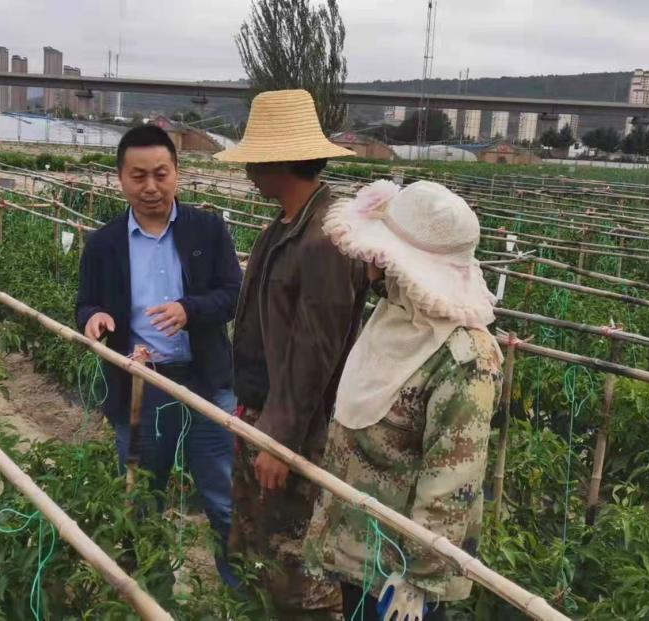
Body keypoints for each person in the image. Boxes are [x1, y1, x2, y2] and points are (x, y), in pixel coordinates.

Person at [303, 179, 504, 621]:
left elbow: (453, 482)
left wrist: (420, 578)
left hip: (400, 571)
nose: (371, 262)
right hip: (358, 546)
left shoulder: (465, 357)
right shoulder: (391, 315)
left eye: (383, 254)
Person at [214, 89, 368, 618]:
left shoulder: (324, 240)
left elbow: (314, 353)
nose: (249, 168)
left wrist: (279, 441)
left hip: (296, 433)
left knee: (297, 569)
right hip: (264, 416)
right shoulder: (285, 226)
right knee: (258, 555)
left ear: (280, 161)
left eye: (256, 157)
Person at [75, 124, 243, 586]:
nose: (151, 187)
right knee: (143, 499)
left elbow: (232, 294)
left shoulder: (207, 229)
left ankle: (236, 596)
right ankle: (154, 596)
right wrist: (94, 320)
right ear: (120, 179)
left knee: (223, 497)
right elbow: (85, 303)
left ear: (177, 174)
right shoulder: (104, 243)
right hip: (139, 387)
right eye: (138, 176)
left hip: (206, 384)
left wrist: (189, 310)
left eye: (161, 174)